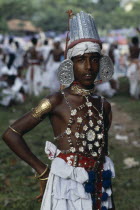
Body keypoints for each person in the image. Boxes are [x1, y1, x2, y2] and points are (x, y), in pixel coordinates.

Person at [2, 11, 115, 210]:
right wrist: (42, 170)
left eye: (95, 59)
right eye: (81, 59)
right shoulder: (56, 100)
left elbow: (102, 152)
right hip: (66, 185)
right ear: (70, 64)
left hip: (99, 184)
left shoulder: (103, 105)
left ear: (102, 62)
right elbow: (11, 134)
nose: (89, 67)